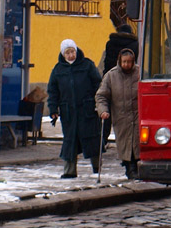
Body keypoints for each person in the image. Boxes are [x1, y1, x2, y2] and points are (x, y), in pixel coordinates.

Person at [47, 38, 102, 179]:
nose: (71, 55)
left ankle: (97, 167)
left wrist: (98, 103)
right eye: (67, 53)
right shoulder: (58, 70)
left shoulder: (87, 65)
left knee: (92, 139)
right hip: (68, 112)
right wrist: (53, 109)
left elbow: (98, 84)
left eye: (72, 51)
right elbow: (53, 91)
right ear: (63, 54)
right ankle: (69, 171)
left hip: (87, 110)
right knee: (70, 141)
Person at [95, 47, 140, 179]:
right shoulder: (111, 75)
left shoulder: (139, 73)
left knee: (138, 143)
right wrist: (103, 110)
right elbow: (101, 96)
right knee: (126, 145)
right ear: (119, 61)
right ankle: (129, 168)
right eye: (124, 62)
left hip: (138, 116)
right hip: (121, 118)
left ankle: (137, 167)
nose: (126, 64)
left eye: (129, 62)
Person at [99, 24, 138, 146]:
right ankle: (128, 142)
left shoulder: (110, 43)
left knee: (108, 111)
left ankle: (103, 139)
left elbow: (106, 61)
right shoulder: (134, 44)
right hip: (129, 77)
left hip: (111, 77)